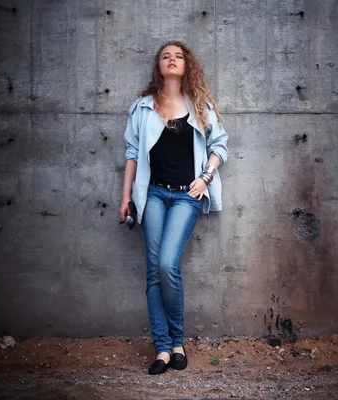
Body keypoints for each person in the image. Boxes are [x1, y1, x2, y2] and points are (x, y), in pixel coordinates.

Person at [120, 40, 229, 375]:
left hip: (186, 196)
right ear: (159, 66)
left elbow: (219, 145)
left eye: (178, 56)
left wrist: (206, 178)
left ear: (186, 65)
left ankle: (178, 342)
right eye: (165, 56)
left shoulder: (199, 105)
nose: (171, 59)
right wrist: (125, 198)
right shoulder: (142, 108)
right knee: (154, 271)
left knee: (168, 264)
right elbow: (132, 154)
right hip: (152, 195)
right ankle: (163, 349)